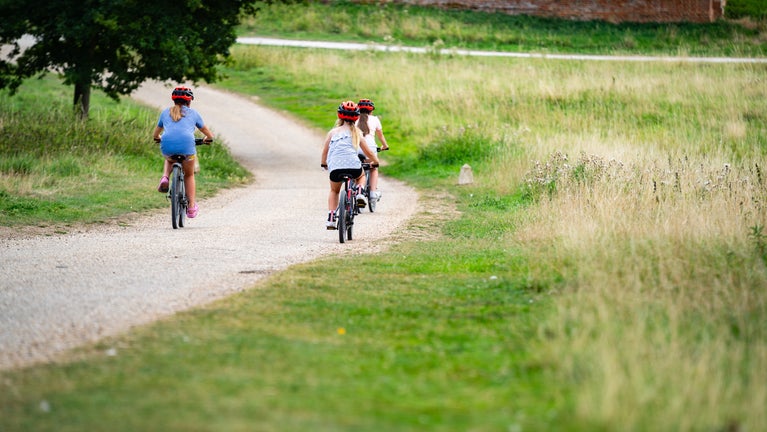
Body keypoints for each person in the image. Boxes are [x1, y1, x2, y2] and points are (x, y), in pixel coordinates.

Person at [152, 86, 214, 219]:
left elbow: (156, 133)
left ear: (174, 100)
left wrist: (157, 138)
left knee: (169, 158)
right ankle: (191, 207)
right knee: (189, 175)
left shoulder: (165, 112)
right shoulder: (194, 113)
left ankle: (165, 177)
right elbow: (208, 134)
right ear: (189, 101)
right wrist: (207, 139)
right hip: (187, 146)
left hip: (167, 144)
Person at [321, 101, 380, 230]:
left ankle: (331, 219)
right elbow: (368, 152)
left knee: (334, 190)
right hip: (353, 166)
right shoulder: (357, 132)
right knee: (361, 177)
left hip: (336, 168)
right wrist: (375, 161)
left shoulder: (333, 132)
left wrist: (324, 163)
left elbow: (325, 151)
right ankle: (359, 192)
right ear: (356, 117)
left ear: (340, 116)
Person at [356, 98, 389, 204]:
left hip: (356, 150)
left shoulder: (354, 119)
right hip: (370, 150)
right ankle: (372, 192)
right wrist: (384, 145)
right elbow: (380, 135)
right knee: (374, 168)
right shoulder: (375, 119)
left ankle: (355, 189)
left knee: (357, 169)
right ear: (371, 110)